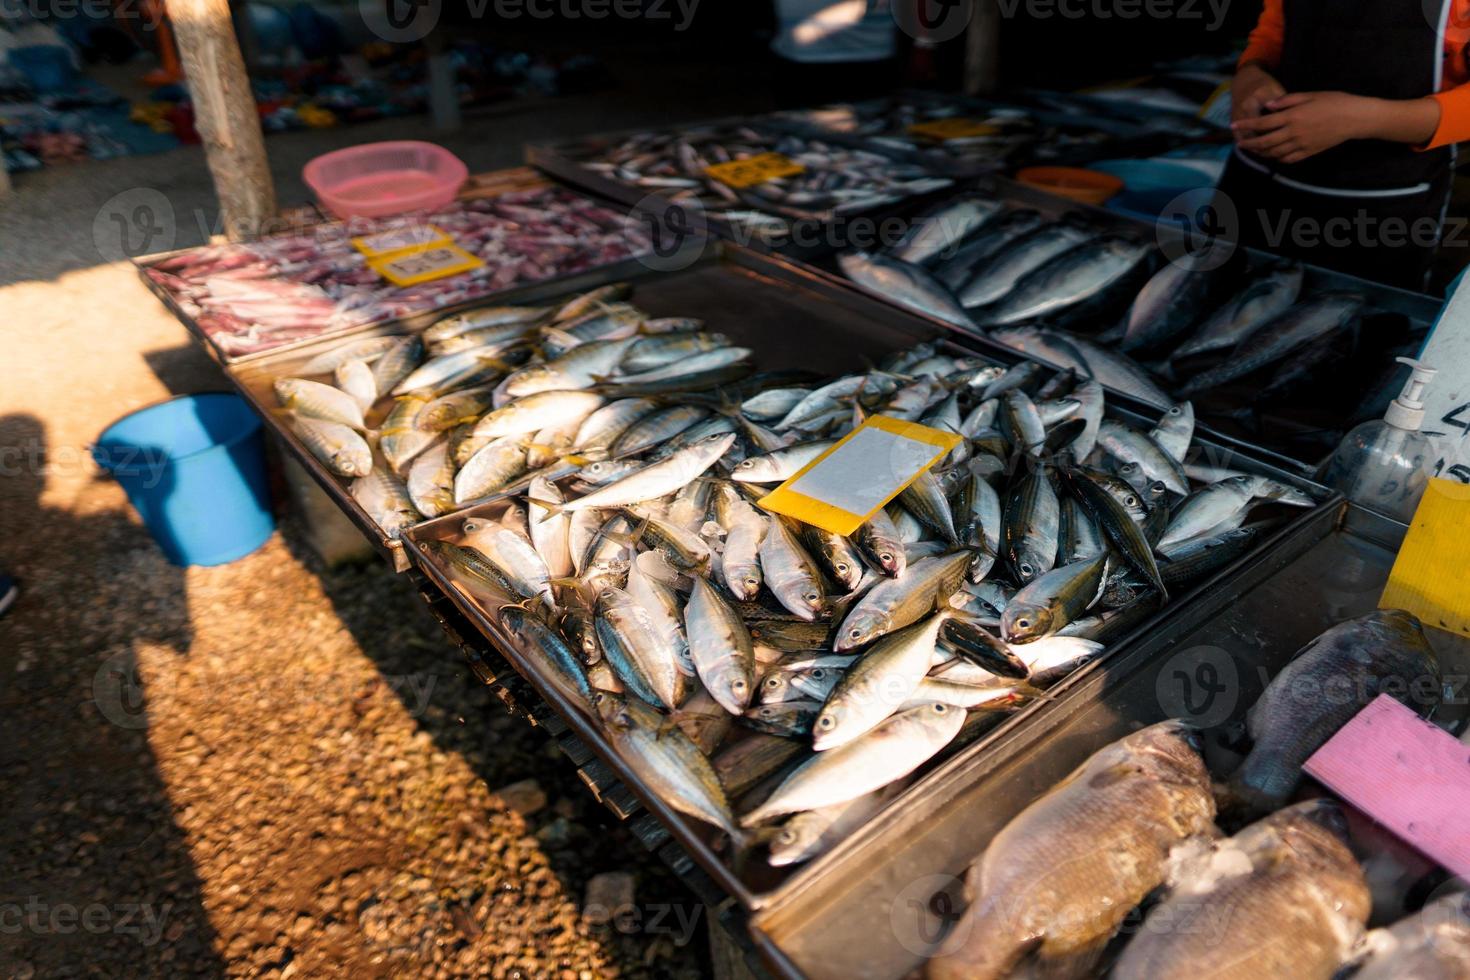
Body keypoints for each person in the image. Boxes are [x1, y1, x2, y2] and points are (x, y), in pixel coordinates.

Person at [1217, 0, 1470, 290]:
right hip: (1255, 182)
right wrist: (1251, 71)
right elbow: (1274, 26)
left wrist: (1364, 119)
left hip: (1383, 207)